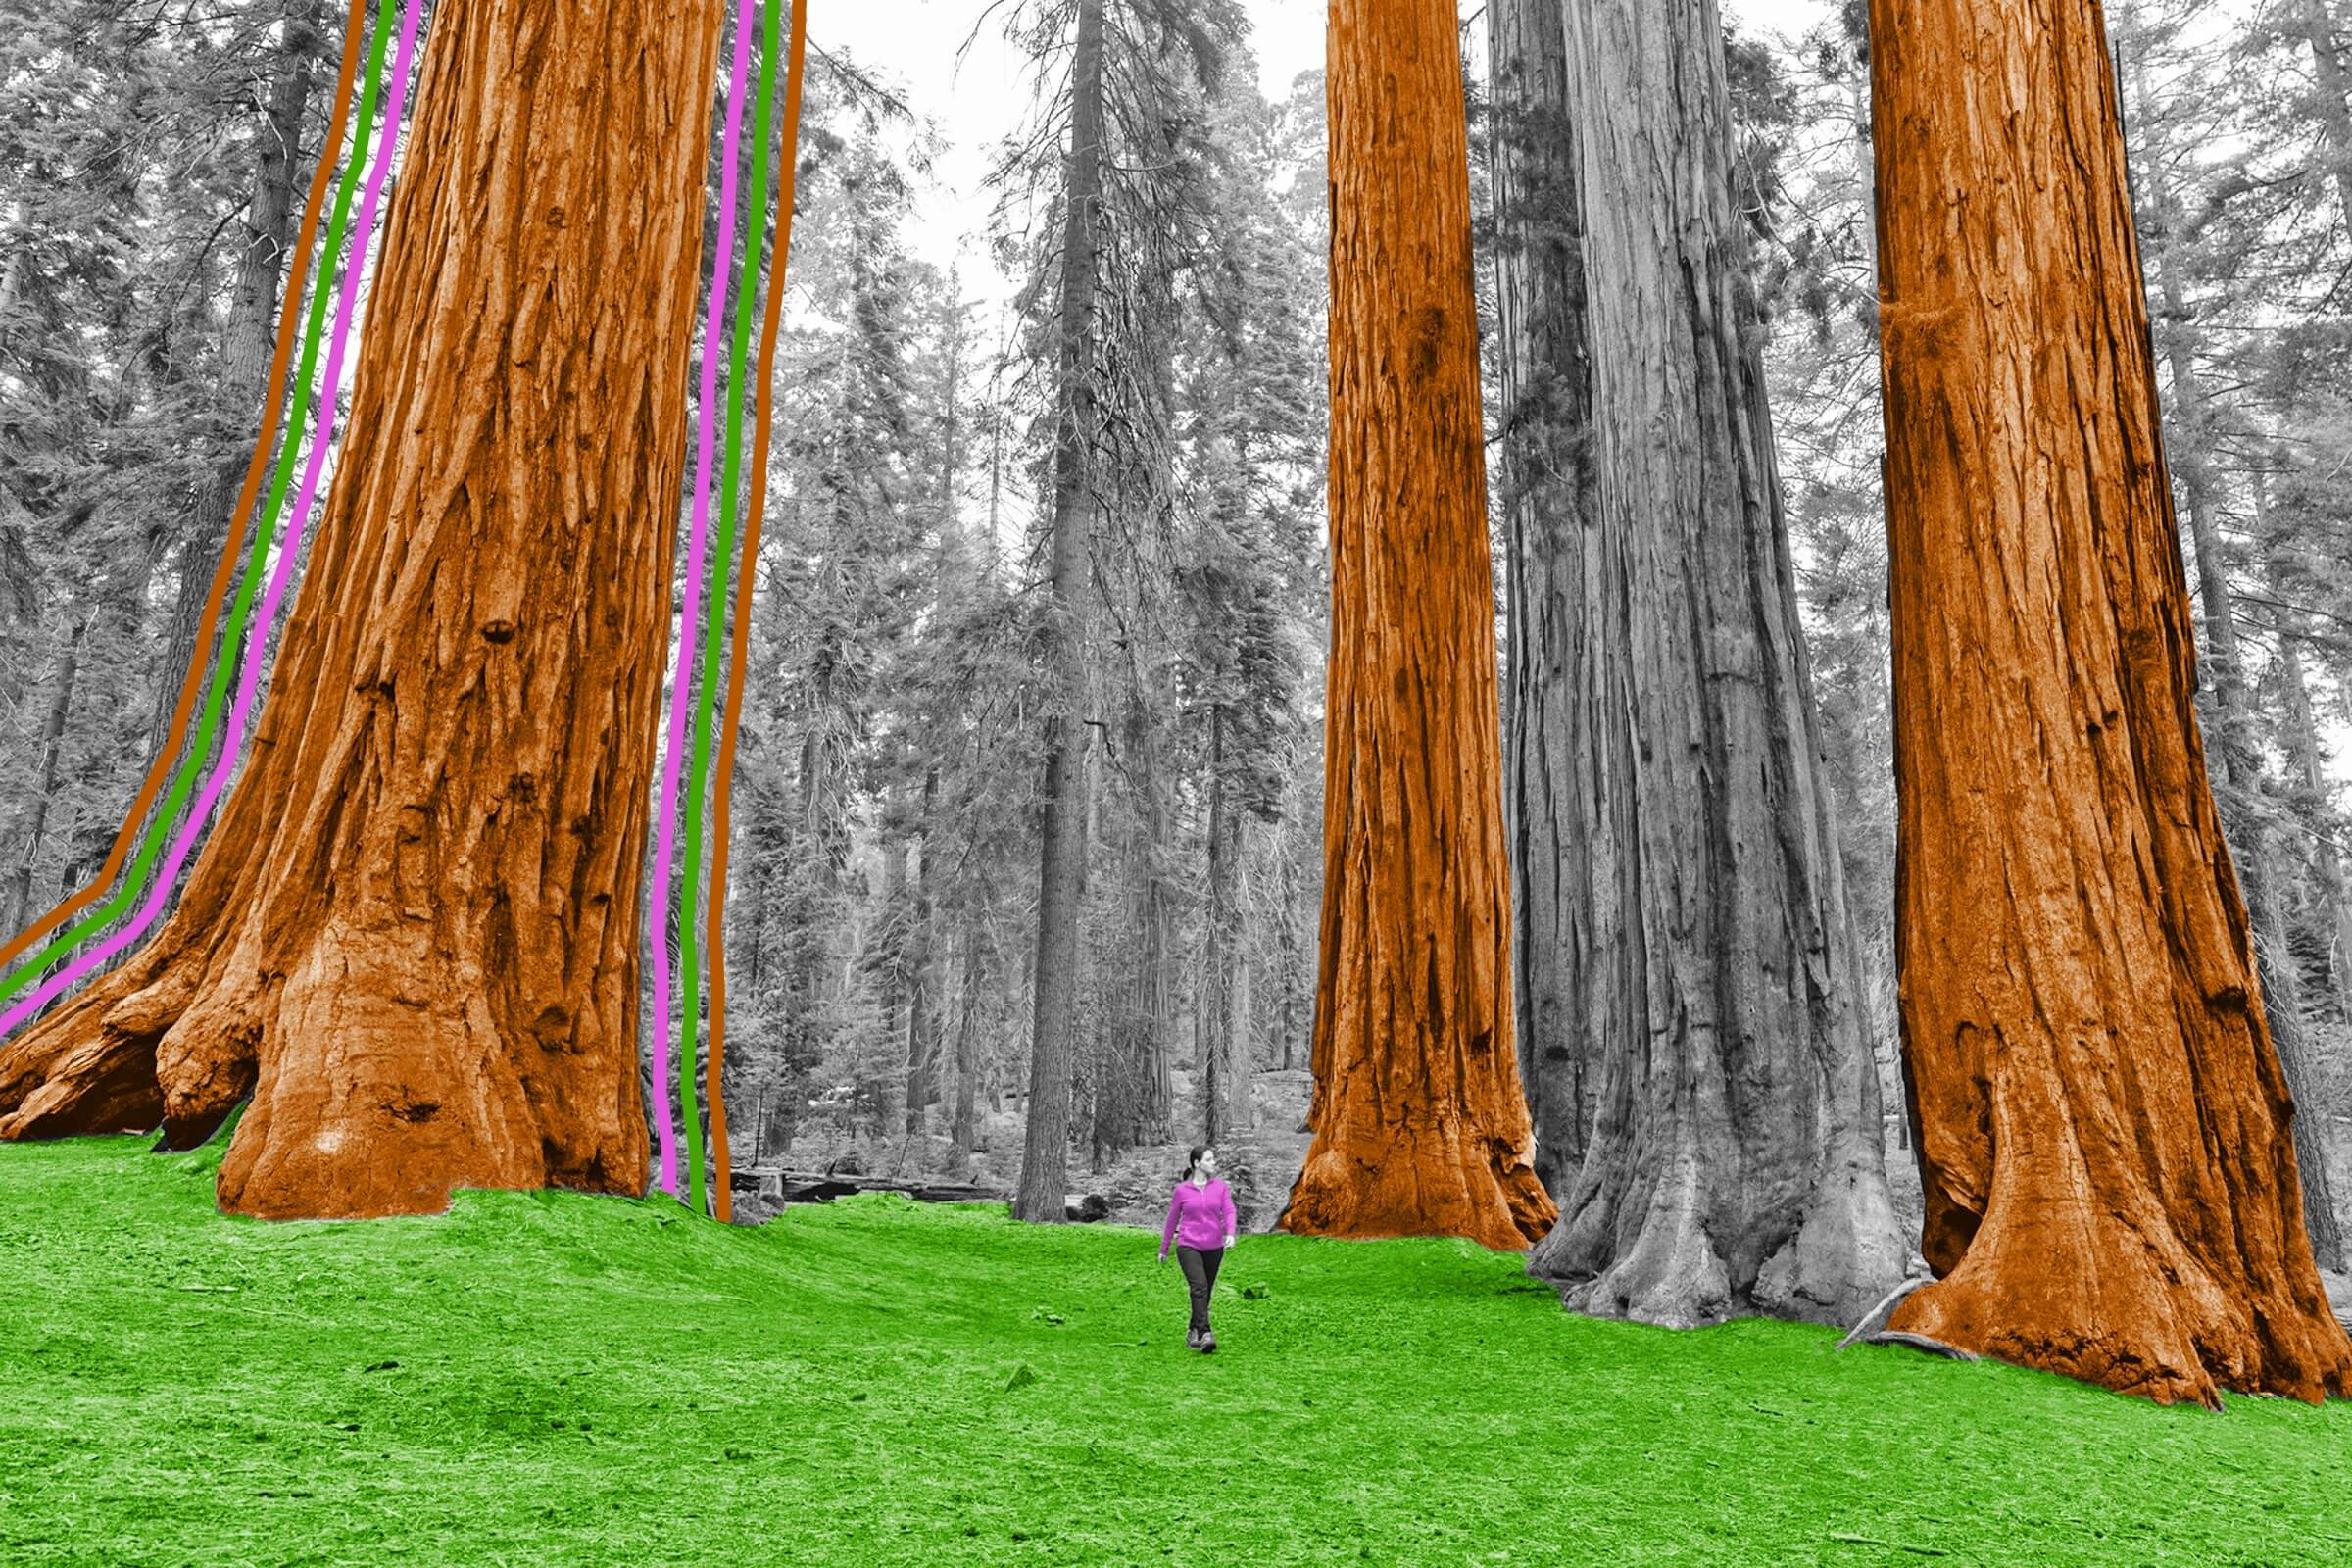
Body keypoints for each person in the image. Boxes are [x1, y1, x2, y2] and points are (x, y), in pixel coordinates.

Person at [1157, 1144, 1237, 1352]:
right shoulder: (1182, 1190)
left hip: (1214, 1246)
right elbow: (1172, 1219)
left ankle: (1193, 1329)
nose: (1213, 1163)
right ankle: (1205, 1333)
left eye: (1213, 1159)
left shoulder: (1220, 1187)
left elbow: (1229, 1210)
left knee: (1205, 1291)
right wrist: (1164, 1248)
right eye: (1209, 1159)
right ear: (1196, 1163)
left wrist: (1230, 1232)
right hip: (1188, 1245)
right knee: (1199, 1287)